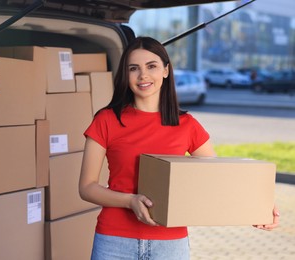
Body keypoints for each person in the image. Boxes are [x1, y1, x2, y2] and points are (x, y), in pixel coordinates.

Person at [79, 36, 279, 260]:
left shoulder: (188, 125)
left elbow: (219, 180)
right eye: (133, 68)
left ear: (166, 71)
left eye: (151, 66)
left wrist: (256, 206)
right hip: (114, 241)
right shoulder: (107, 120)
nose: (143, 75)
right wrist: (130, 200)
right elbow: (86, 187)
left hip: (170, 245)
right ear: (125, 75)